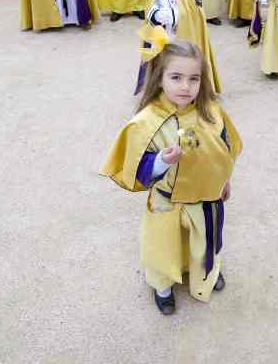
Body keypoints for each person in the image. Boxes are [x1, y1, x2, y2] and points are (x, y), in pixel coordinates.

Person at [100, 34, 242, 314]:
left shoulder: (212, 112)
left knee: (205, 243)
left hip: (205, 197)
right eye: (176, 77)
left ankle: (205, 274)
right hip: (168, 201)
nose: (186, 86)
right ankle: (162, 286)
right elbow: (137, 168)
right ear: (159, 77)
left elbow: (224, 151)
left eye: (194, 78)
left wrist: (225, 180)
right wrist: (160, 162)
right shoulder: (146, 121)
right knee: (163, 248)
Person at [137, 0, 221, 93]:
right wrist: (155, 13)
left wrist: (175, 15)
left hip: (181, 34)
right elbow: (150, 6)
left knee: (180, 63)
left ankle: (185, 91)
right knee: (161, 62)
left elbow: (196, 13)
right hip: (162, 33)